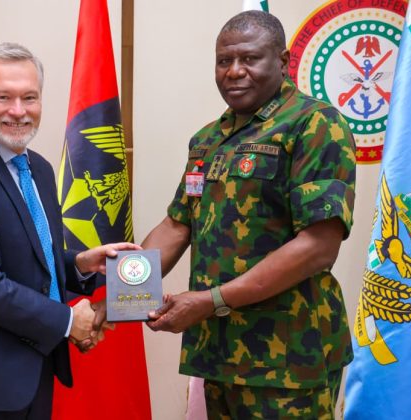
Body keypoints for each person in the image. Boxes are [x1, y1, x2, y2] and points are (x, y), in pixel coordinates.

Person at [143, 11, 357, 419]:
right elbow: (177, 224)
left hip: (289, 360)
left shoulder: (314, 124)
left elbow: (318, 246)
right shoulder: (208, 139)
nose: (234, 71)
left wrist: (210, 301)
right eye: (224, 61)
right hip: (219, 354)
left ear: (282, 60)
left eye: (249, 59)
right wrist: (122, 296)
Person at [0, 42, 139, 420]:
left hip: (35, 368)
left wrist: (80, 264)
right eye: (3, 97)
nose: (18, 111)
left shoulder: (38, 168)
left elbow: (31, 259)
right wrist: (69, 322)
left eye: (29, 97)